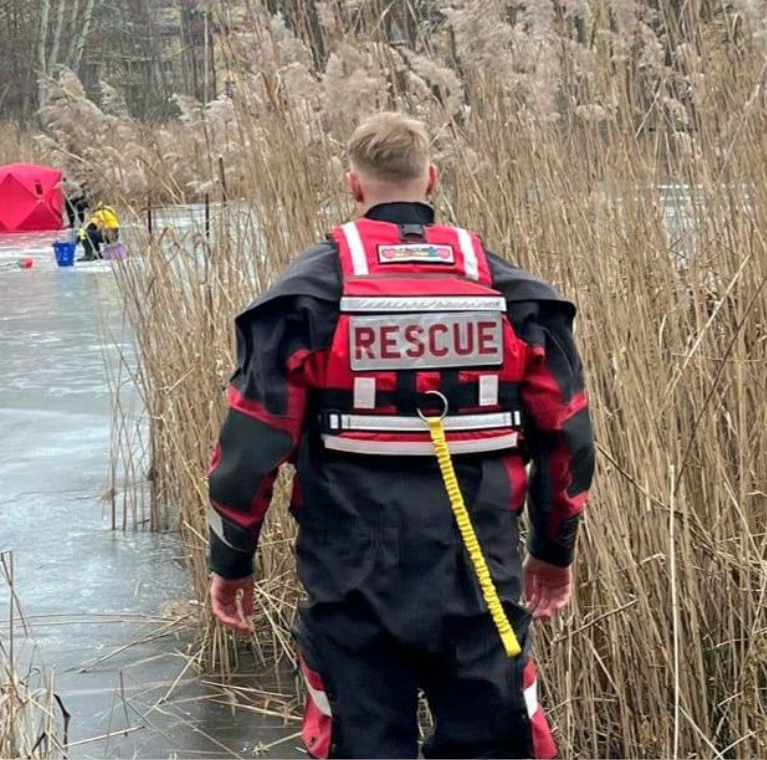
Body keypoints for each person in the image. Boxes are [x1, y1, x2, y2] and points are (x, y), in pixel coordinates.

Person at [206, 112, 595, 759]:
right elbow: (567, 435)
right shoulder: (512, 292)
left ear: (354, 186)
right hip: (478, 575)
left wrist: (232, 564)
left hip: (351, 582)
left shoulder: (307, 295)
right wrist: (554, 551)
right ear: (432, 180)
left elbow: (247, 453)